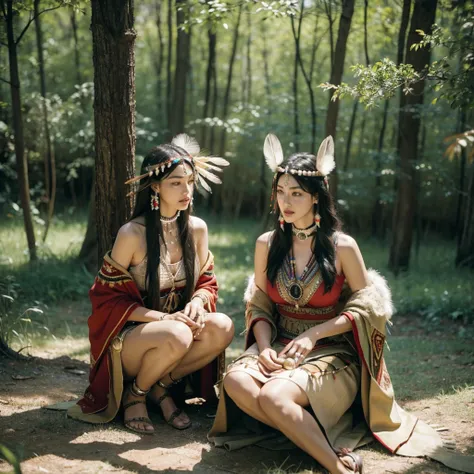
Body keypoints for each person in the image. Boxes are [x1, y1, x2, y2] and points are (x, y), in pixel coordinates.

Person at [208, 134, 473, 474]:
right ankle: (309, 433)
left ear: (316, 197)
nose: (285, 202)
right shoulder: (267, 243)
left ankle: (337, 465)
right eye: (281, 192)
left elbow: (367, 308)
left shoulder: (343, 246)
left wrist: (313, 334)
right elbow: (258, 305)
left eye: (297, 193)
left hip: (333, 349)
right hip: (278, 343)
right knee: (235, 382)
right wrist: (262, 348)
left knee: (273, 396)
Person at [68, 134, 234, 435]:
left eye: (190, 181)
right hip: (132, 342)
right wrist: (166, 318)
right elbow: (107, 301)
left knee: (222, 325)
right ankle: (135, 394)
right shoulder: (132, 234)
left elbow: (206, 281)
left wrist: (197, 302)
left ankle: (158, 388)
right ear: (155, 187)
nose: (186, 190)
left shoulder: (197, 229)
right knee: (178, 331)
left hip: (176, 334)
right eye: (176, 182)